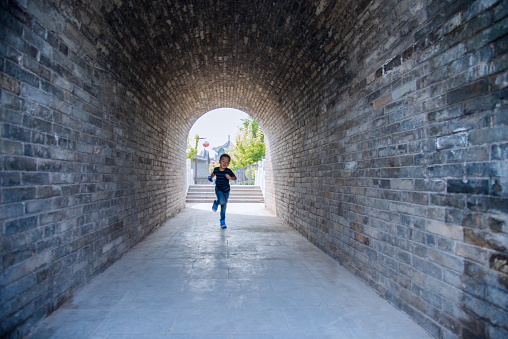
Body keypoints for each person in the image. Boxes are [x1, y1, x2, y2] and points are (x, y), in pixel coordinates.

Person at [208, 154, 237, 228]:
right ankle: (216, 202)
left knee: (224, 206)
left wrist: (230, 177)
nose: (225, 163)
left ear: (228, 164)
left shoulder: (228, 171)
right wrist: (210, 177)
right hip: (219, 189)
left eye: (227, 162)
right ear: (220, 161)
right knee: (222, 201)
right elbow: (213, 174)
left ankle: (222, 221)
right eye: (223, 161)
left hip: (226, 190)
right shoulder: (216, 169)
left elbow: (235, 177)